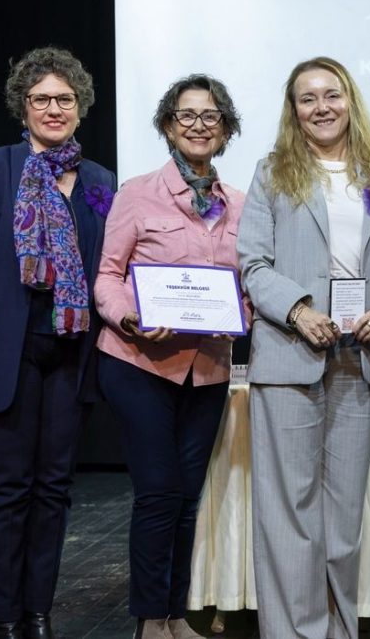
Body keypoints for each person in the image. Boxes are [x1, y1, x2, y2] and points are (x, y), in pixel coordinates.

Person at [0, 46, 115, 639]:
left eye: (64, 99)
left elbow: (107, 263)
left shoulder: (99, 181)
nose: (53, 109)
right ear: (23, 105)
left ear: (80, 107)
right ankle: (3, 619)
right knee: (7, 487)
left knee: (54, 488)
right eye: (41, 99)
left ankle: (38, 613)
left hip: (70, 350)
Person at [235, 56, 370, 639]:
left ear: (349, 100)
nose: (321, 107)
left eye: (331, 95)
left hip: (358, 358)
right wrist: (298, 311)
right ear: (294, 110)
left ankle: (339, 630)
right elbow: (253, 263)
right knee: (290, 514)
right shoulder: (272, 172)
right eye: (307, 98)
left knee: (344, 515)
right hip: (291, 353)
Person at [94, 75, 247, 639]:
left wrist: (239, 318)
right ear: (167, 125)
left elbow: (247, 290)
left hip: (206, 370)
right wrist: (131, 317)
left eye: (211, 116)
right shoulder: (137, 193)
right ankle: (149, 620)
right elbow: (108, 275)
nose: (199, 126)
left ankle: (176, 613)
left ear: (226, 129)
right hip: (138, 363)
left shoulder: (242, 205)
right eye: (187, 115)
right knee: (159, 492)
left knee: (186, 497)